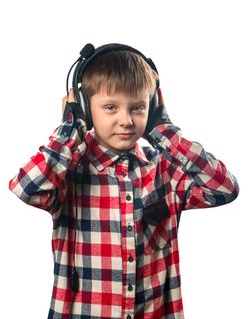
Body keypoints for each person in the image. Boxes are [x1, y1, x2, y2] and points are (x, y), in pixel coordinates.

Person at [9, 43, 239, 319]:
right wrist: (70, 129)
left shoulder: (165, 169)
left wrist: (164, 132)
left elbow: (224, 188)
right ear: (84, 107)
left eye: (138, 107)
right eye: (110, 107)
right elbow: (26, 188)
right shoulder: (66, 170)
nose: (126, 120)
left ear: (153, 107)